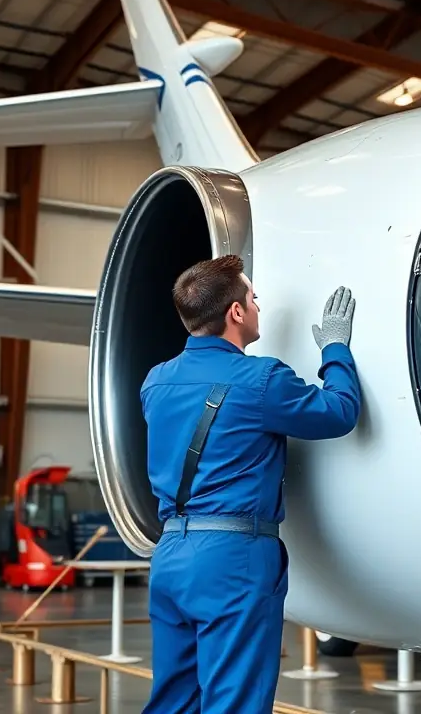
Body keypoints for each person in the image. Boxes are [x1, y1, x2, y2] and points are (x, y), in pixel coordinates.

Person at [140, 254, 361, 714]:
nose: (259, 306)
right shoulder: (261, 380)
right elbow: (340, 412)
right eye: (254, 298)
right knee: (235, 703)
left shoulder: (155, 382)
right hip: (232, 560)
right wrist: (335, 351)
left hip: (171, 555)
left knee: (173, 703)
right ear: (236, 312)